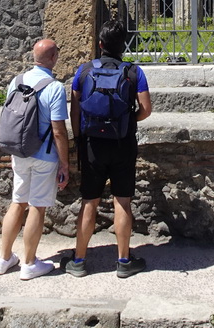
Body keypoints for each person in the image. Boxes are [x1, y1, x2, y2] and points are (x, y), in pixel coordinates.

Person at [65, 19, 152, 278]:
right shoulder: (134, 72)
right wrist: (125, 122)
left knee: (89, 201)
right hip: (123, 142)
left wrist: (81, 138)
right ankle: (124, 260)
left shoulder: (83, 71)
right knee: (122, 201)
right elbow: (146, 110)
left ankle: (79, 260)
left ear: (100, 44)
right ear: (123, 45)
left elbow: (75, 110)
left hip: (92, 143)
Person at [0, 38, 70, 280]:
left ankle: (4, 259)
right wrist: (65, 163)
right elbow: (58, 130)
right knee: (37, 205)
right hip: (44, 155)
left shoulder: (16, 82)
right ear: (53, 58)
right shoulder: (54, 88)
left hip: (19, 152)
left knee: (18, 202)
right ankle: (29, 263)